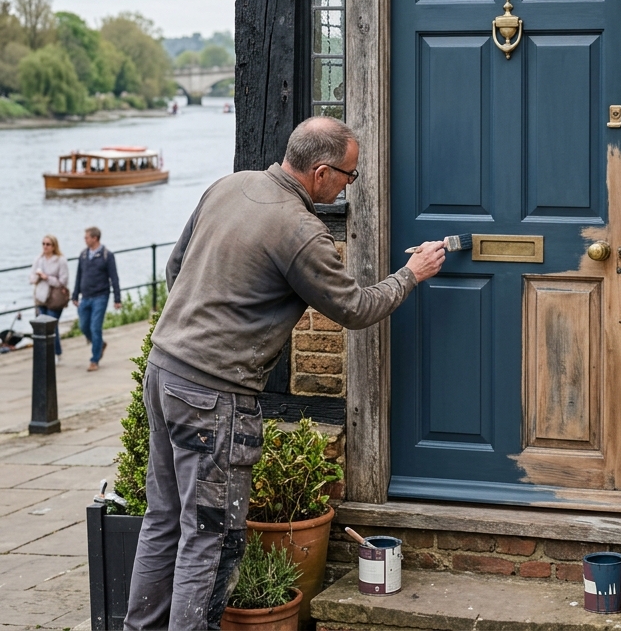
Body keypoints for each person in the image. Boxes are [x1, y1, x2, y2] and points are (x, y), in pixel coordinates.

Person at [123, 116, 446, 631]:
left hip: (163, 371)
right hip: (212, 397)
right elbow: (355, 308)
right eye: (349, 175)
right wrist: (412, 274)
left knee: (163, 521)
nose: (348, 185)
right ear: (321, 172)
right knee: (209, 536)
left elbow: (176, 266)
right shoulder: (299, 231)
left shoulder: (228, 185)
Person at [72, 227, 121, 372]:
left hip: (101, 296)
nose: (85, 239)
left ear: (95, 238)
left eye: (87, 237)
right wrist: (75, 294)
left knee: (95, 327)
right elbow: (79, 276)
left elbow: (114, 278)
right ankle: (100, 344)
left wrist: (117, 298)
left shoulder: (107, 255)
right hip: (85, 297)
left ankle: (94, 360)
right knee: (84, 326)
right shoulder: (83, 255)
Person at [31, 234, 70, 363]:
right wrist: (38, 277)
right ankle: (44, 353)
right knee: (41, 327)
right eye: (43, 244)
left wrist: (47, 277)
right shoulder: (39, 259)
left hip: (55, 298)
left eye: (48, 244)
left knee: (52, 326)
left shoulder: (60, 260)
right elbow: (31, 278)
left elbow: (63, 281)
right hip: (41, 297)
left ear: (54, 246)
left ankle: (56, 352)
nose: (45, 247)